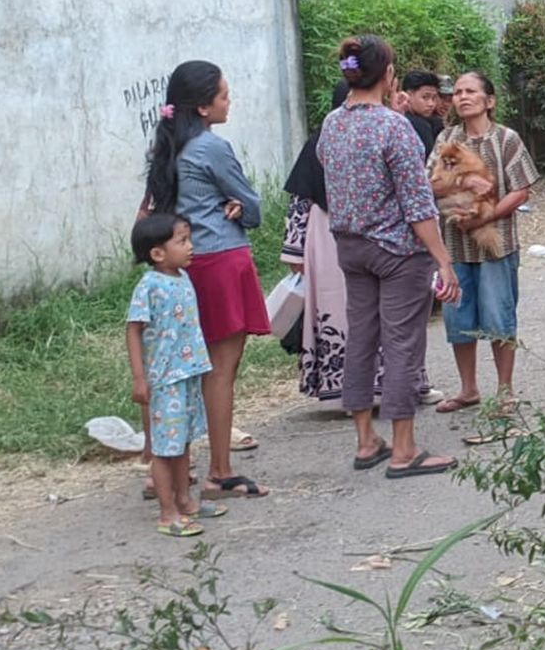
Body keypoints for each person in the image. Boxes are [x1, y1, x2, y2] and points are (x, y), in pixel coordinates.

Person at [319, 35, 461, 480]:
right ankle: (403, 447)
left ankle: (366, 440)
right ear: (386, 76)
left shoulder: (331, 124)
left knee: (361, 337)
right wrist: (443, 259)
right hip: (397, 250)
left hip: (350, 245)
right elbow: (418, 205)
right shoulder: (393, 127)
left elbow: (329, 172)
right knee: (402, 342)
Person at [143, 60, 270, 501]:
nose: (228, 102)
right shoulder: (211, 148)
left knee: (181, 367)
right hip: (220, 256)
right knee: (220, 370)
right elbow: (252, 206)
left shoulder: (167, 150)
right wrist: (239, 207)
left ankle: (167, 466)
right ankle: (220, 469)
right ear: (202, 107)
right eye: (222, 96)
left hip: (184, 265)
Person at [282, 85, 442, 405]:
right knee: (397, 328)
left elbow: (299, 203)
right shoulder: (389, 129)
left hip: (337, 241)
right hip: (381, 241)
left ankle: (357, 410)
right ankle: (401, 429)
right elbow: (410, 192)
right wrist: (441, 256)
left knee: (356, 327)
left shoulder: (329, 131)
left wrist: (294, 248)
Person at [432, 70, 538, 418]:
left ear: (488, 101)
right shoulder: (445, 138)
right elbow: (430, 183)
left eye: (470, 92)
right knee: (458, 317)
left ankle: (505, 391)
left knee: (499, 317)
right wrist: (458, 192)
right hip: (455, 245)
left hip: (497, 245)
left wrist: (485, 217)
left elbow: (521, 189)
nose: (462, 97)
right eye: (458, 92)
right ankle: (468, 388)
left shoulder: (506, 139)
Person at [126, 213, 227, 537]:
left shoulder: (183, 277)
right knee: (164, 448)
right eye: (182, 241)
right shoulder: (149, 286)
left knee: (182, 442)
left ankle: (185, 500)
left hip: (188, 374)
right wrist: (140, 378)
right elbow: (133, 330)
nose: (190, 247)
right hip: (165, 379)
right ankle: (167, 512)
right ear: (157, 253)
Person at [402, 70, 444, 156]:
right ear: (409, 95)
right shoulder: (419, 125)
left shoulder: (435, 123)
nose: (431, 104)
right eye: (425, 97)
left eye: (434, 98)